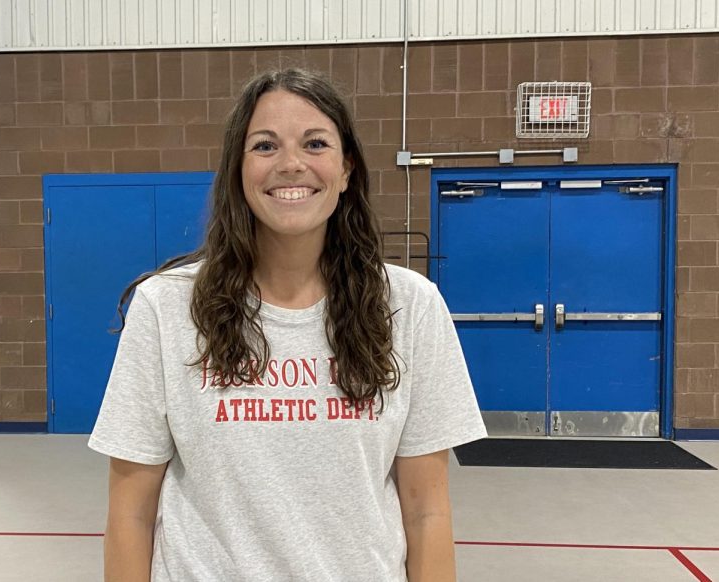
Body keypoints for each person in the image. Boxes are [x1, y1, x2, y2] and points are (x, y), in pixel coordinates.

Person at [88, 68, 486, 582]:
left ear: (346, 171)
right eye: (265, 146)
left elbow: (426, 510)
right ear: (237, 170)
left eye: (315, 143)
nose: (292, 165)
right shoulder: (167, 308)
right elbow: (130, 511)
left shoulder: (410, 306)